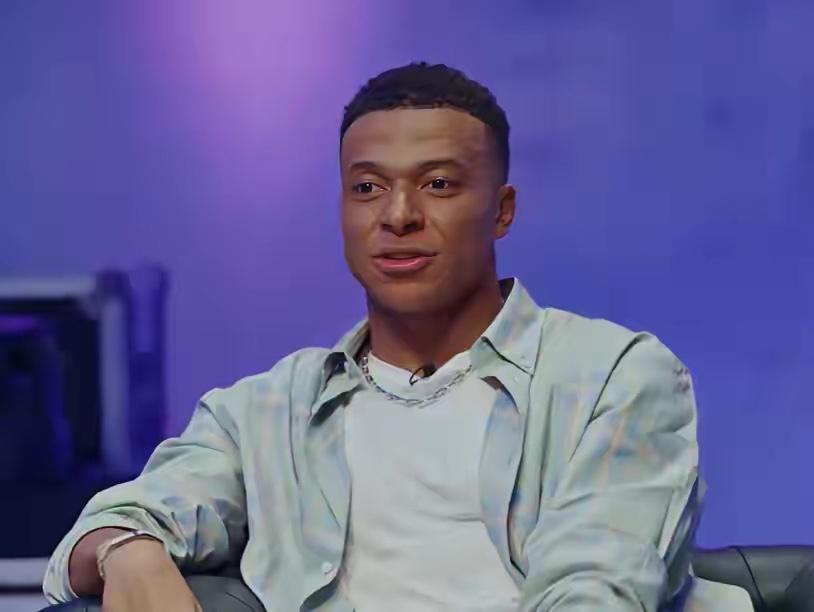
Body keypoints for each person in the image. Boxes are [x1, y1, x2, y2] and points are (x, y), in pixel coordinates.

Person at [44, 62, 702, 611]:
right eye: (367, 187)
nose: (398, 215)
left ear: (501, 211)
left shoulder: (612, 376)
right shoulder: (266, 410)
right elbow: (108, 527)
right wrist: (124, 550)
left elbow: (597, 587)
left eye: (438, 184)